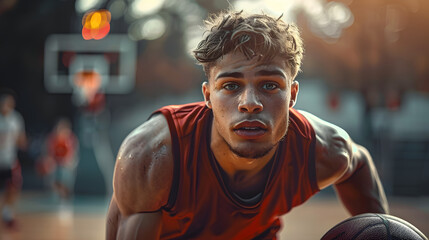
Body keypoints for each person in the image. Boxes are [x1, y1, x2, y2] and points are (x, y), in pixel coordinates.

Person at [106, 10, 389, 239]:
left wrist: (385, 229)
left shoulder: (323, 150)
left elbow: (358, 163)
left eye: (269, 84)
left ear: (292, 95)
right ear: (207, 96)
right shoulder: (152, 157)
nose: (250, 102)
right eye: (230, 85)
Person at [0, 91, 26, 230]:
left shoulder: (15, 119)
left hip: (9, 160)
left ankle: (7, 215)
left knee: (13, 188)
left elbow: (20, 140)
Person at [37, 118, 78, 201]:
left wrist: (66, 162)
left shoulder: (72, 139)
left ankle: (66, 193)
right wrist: (50, 162)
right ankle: (53, 192)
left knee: (66, 171)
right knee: (50, 168)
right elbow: (47, 154)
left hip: (66, 163)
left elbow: (73, 156)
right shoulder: (51, 139)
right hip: (55, 162)